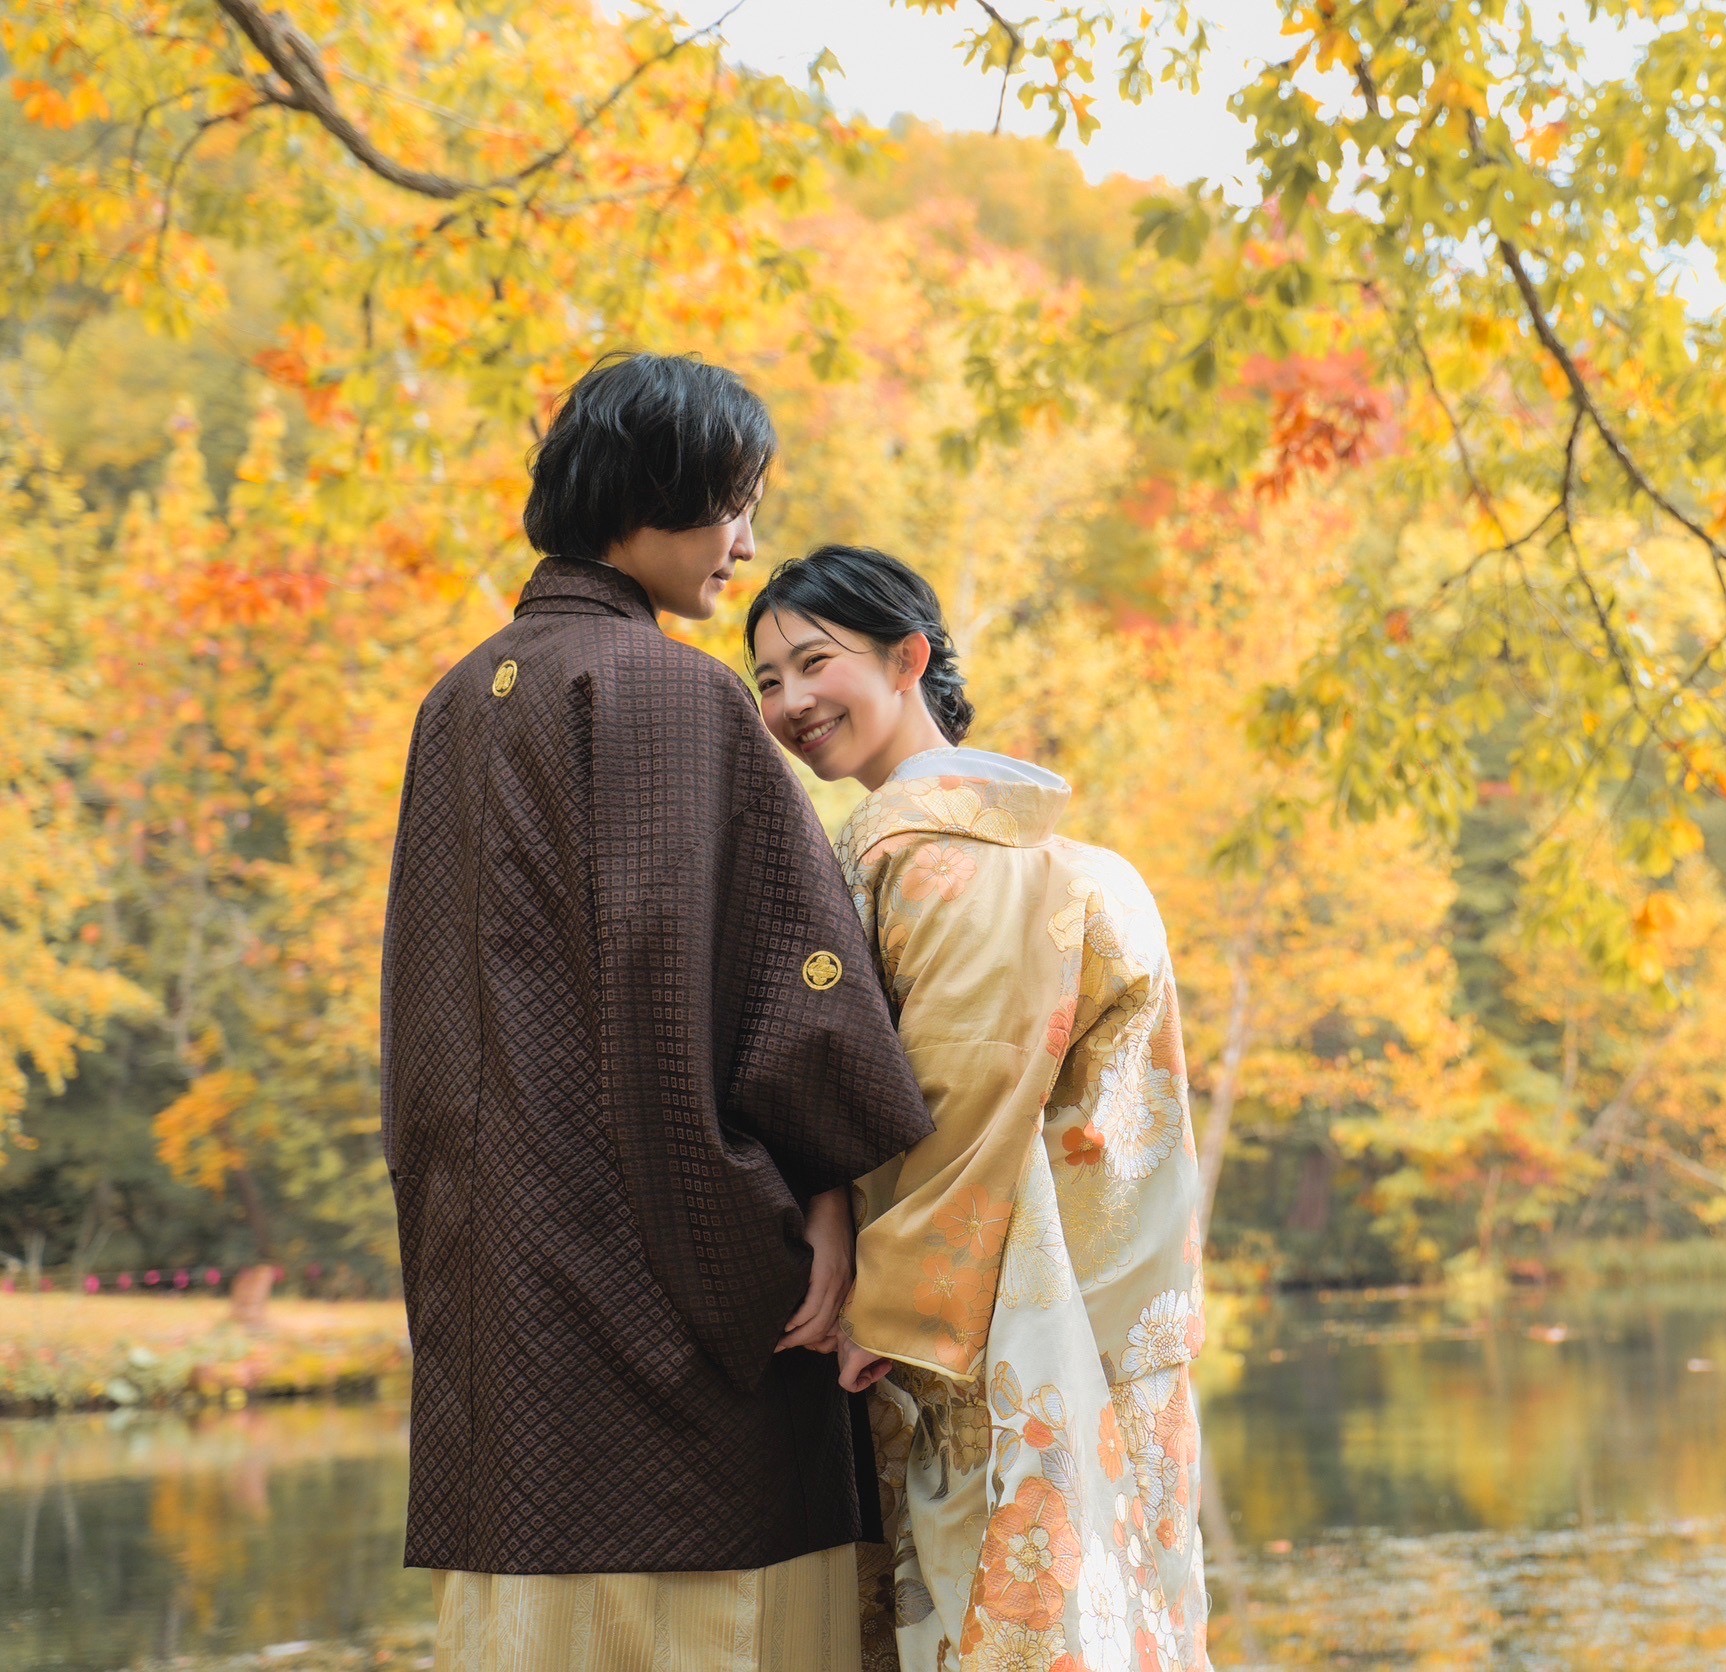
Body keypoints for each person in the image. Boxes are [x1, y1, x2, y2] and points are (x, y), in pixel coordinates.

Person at [380, 355, 936, 1670]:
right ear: (646, 491)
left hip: (503, 1358)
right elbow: (783, 1002)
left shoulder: (456, 701)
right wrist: (815, 1222)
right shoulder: (675, 696)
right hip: (677, 1378)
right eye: (727, 505)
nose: (746, 544)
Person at [746, 546, 1211, 1672]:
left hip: (1000, 1308)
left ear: (907, 657)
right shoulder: (1012, 846)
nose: (790, 702)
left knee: (994, 1606)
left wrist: (884, 1304)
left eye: (814, 662)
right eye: (765, 681)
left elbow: (961, 1088)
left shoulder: (952, 859)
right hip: (1070, 1294)